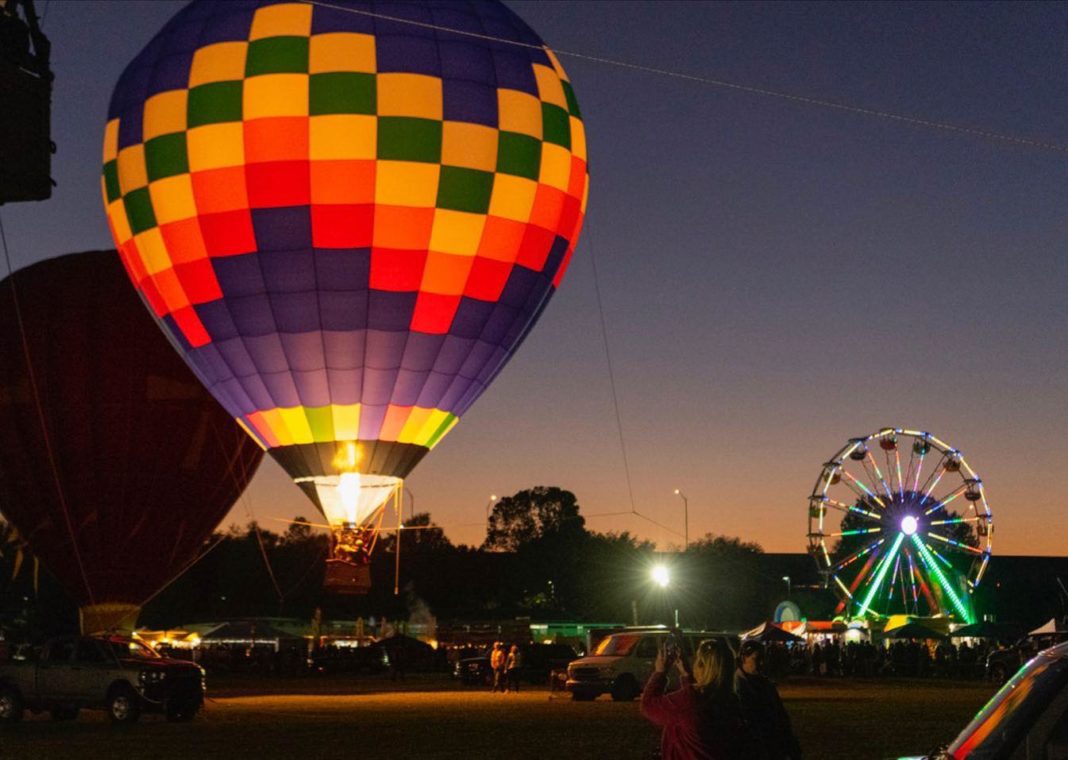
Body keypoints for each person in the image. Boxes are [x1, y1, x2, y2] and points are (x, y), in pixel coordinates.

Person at [641, 637, 754, 759]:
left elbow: (648, 706)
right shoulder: (731, 700)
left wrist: (660, 672)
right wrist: (686, 676)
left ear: (701, 666)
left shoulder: (691, 699)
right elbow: (692, 714)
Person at [734, 640, 802, 760]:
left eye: (763, 658)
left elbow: (781, 716)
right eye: (756, 659)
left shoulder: (766, 685)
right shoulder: (734, 688)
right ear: (744, 658)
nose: (761, 663)